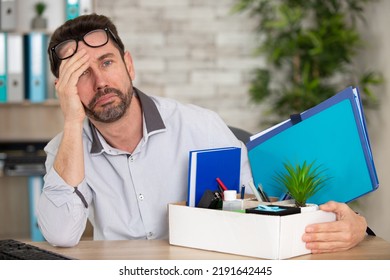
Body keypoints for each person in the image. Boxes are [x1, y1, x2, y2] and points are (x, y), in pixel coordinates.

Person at [37, 14, 368, 254]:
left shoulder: (201, 126)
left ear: (128, 64)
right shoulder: (65, 151)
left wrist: (355, 223)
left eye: (107, 62)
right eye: (81, 74)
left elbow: (266, 210)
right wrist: (70, 122)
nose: (99, 82)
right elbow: (61, 234)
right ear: (64, 89)